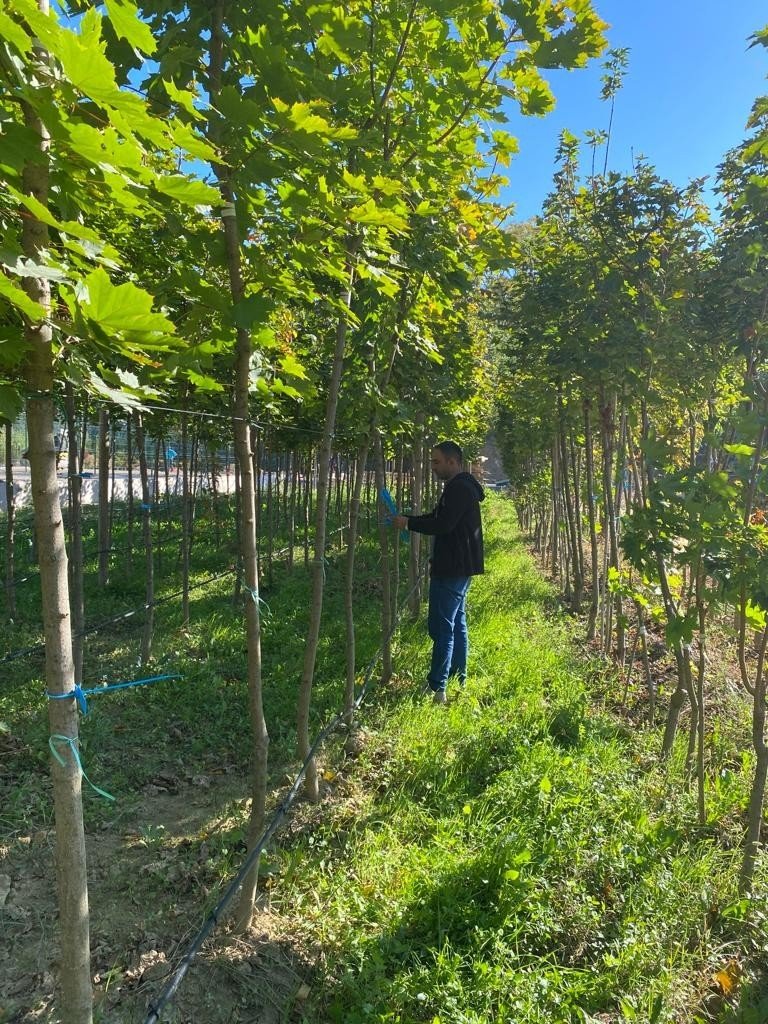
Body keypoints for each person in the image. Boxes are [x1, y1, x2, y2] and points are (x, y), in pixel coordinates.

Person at [392, 440, 485, 704]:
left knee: (441, 627)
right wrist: (409, 520)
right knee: (456, 623)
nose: (432, 466)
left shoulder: (459, 489)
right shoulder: (459, 487)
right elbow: (437, 517)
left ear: (452, 462)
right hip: (458, 565)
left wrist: (409, 524)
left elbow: (443, 524)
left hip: (452, 567)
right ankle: (458, 675)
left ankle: (437, 687)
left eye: (436, 461)